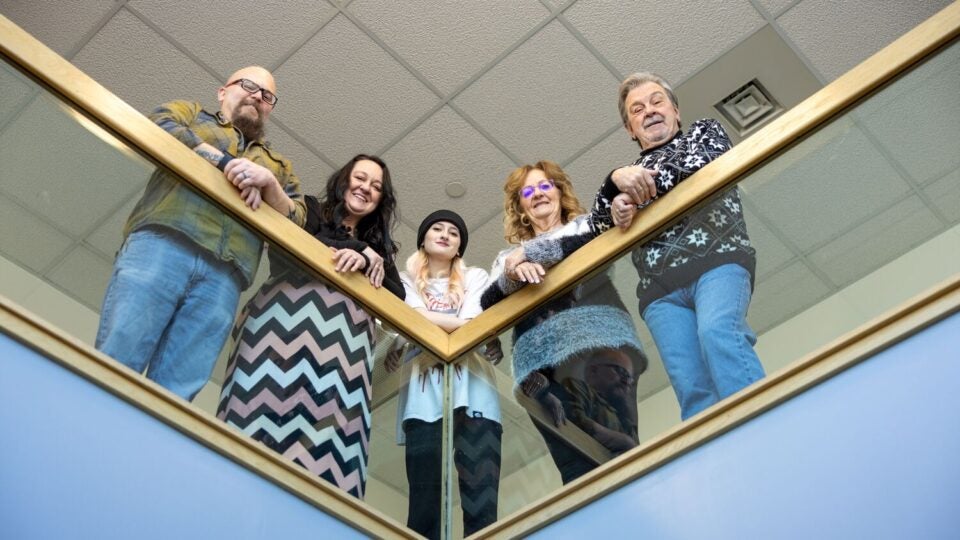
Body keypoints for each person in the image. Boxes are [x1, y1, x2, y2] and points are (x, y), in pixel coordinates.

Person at [96, 66, 305, 401]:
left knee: (178, 393)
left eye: (267, 95)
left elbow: (299, 219)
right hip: (164, 243)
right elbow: (158, 125)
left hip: (225, 278)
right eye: (249, 85)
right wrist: (226, 164)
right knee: (117, 357)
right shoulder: (192, 114)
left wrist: (268, 186)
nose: (257, 96)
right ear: (223, 91)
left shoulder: (277, 166)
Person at [217, 155, 403, 499]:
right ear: (343, 179)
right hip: (278, 336)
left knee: (325, 459)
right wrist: (358, 250)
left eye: (376, 186)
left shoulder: (381, 252)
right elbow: (292, 242)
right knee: (251, 443)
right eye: (360, 178)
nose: (366, 188)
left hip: (340, 362)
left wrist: (367, 254)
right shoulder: (311, 210)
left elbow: (398, 297)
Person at [596, 72, 765, 420]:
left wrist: (635, 190)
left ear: (675, 110)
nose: (650, 112)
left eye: (657, 101)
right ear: (630, 129)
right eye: (637, 109)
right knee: (691, 386)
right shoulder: (622, 180)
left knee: (719, 333)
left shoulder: (703, 132)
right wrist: (614, 181)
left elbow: (701, 163)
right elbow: (596, 223)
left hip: (717, 265)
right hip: (660, 294)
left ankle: (763, 428)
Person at [481, 161, 646, 484]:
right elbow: (487, 303)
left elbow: (592, 243)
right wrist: (515, 271)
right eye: (528, 191)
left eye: (545, 186)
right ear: (522, 209)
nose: (538, 194)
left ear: (560, 192)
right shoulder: (506, 258)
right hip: (539, 369)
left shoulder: (585, 226)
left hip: (602, 353)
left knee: (622, 449)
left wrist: (534, 251)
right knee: (573, 464)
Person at [385, 210, 502, 539]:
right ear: (422, 238)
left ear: (459, 248)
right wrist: (463, 328)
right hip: (423, 402)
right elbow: (460, 327)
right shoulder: (404, 282)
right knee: (424, 505)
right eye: (437, 228)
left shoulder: (476, 277)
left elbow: (470, 324)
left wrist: (419, 324)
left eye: (454, 232)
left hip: (477, 397)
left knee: (482, 506)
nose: (445, 234)